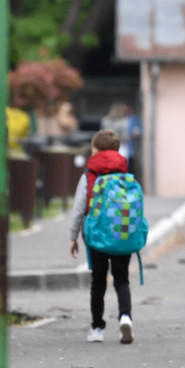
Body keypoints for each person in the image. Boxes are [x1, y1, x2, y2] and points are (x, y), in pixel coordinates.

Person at [69, 129, 134, 344]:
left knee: (98, 282)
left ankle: (97, 328)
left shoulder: (89, 175)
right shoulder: (125, 174)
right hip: (121, 233)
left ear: (95, 149)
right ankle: (125, 316)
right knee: (122, 278)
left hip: (96, 235)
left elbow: (79, 208)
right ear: (116, 149)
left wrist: (73, 237)